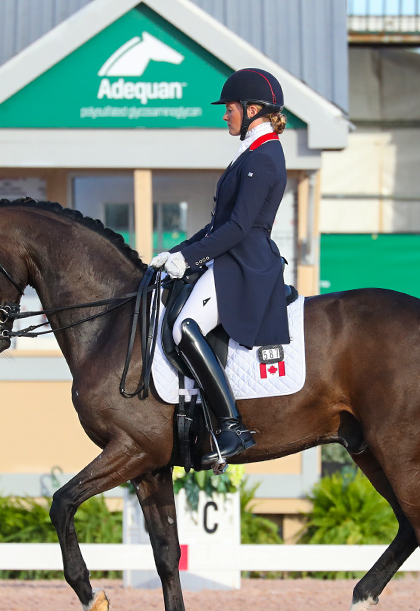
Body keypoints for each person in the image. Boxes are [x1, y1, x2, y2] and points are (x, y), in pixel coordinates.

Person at [149, 68, 291, 467]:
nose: (225, 115)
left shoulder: (264, 156)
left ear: (252, 109)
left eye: (229, 108)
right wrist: (174, 252)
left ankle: (230, 427)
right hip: (232, 255)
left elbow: (239, 227)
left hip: (244, 263)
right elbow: (218, 225)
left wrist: (189, 259)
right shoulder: (252, 153)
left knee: (184, 327)